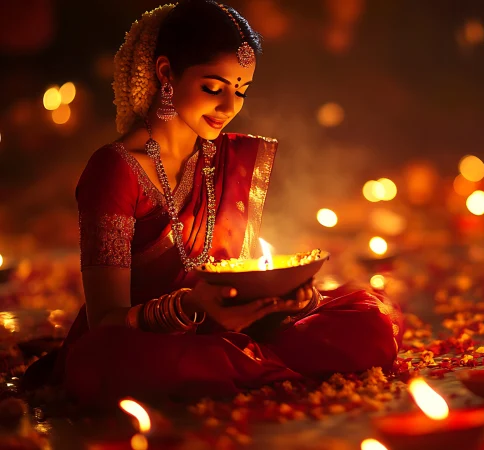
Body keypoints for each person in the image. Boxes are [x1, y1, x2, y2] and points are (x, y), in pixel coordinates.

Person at [23, 0, 402, 405]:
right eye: (213, 87)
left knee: (368, 317)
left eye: (241, 90)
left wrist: (285, 300)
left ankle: (241, 364)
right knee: (103, 363)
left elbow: (242, 269)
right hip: (150, 345)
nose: (230, 107)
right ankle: (251, 364)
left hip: (229, 334)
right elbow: (105, 323)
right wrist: (190, 308)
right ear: (166, 72)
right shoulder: (116, 168)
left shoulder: (226, 160)